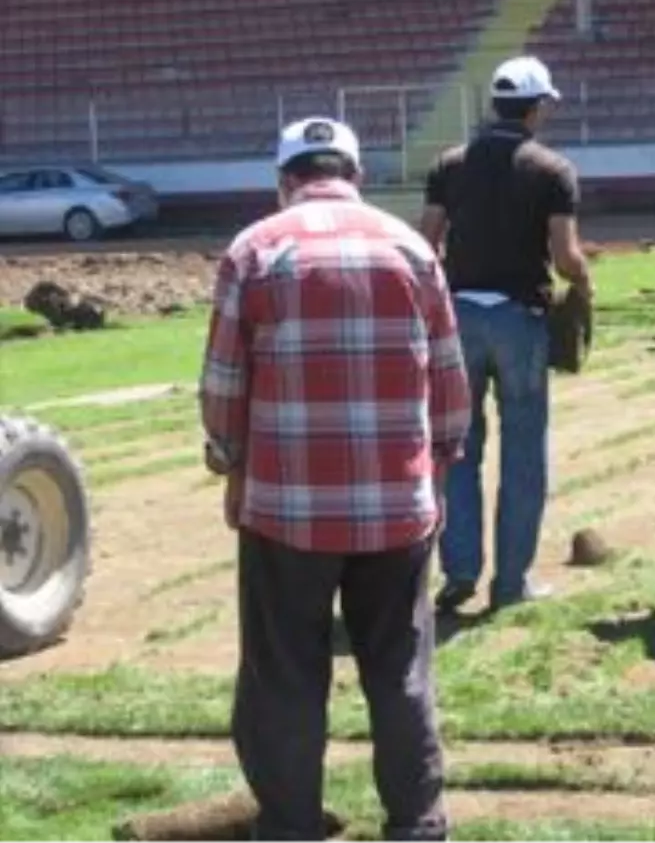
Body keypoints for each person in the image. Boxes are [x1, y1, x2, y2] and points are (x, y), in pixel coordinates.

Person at [200, 116, 469, 843]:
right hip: (397, 510)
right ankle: (417, 825)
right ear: (355, 174)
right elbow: (448, 383)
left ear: (286, 179)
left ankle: (289, 828)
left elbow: (224, 388)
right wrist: (439, 468)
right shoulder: (413, 249)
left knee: (283, 678)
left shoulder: (253, 250)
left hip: (286, 511)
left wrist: (229, 463)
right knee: (401, 675)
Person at [418, 55, 593, 615]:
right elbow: (565, 259)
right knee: (523, 452)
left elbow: (426, 245)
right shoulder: (552, 170)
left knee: (457, 448)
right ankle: (512, 581)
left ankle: (460, 571)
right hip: (520, 320)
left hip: (458, 319)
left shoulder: (450, 164)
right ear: (537, 108)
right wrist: (584, 284)